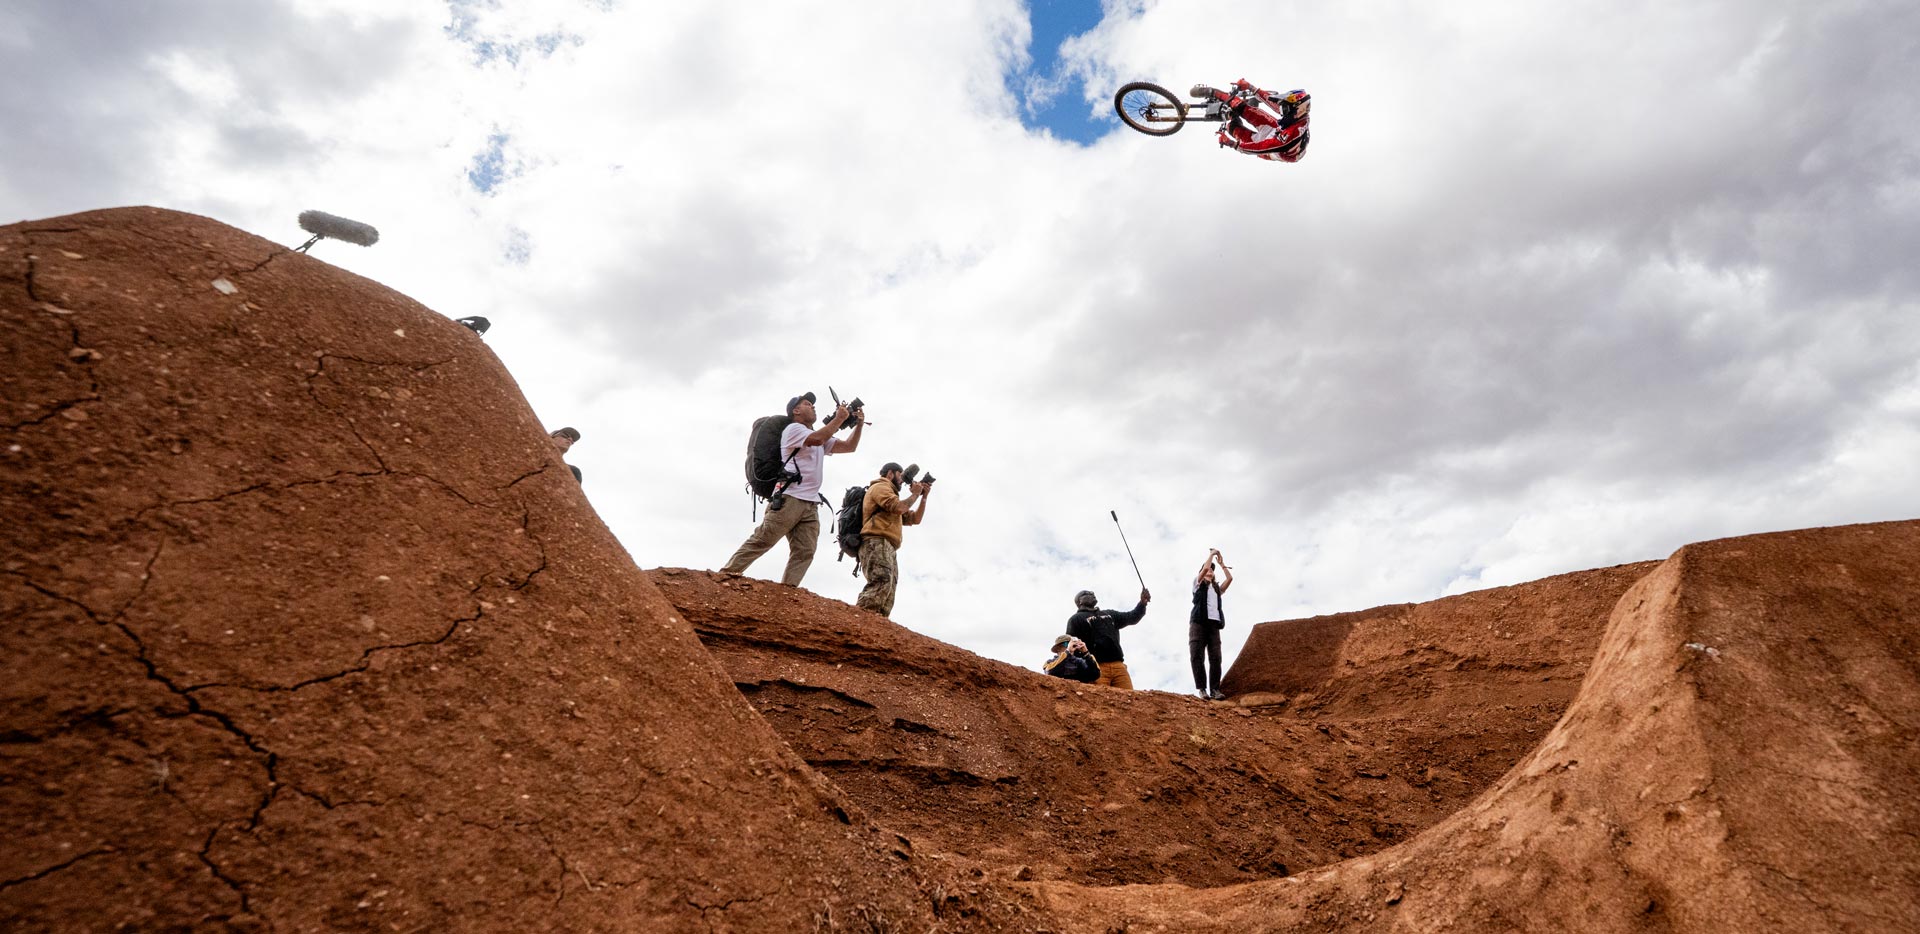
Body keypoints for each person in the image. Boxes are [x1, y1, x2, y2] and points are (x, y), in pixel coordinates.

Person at [720, 392, 863, 586]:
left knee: (805, 551)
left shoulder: (816, 435)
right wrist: (839, 419)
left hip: (810, 503)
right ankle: (725, 575)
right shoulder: (794, 429)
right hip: (790, 498)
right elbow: (818, 438)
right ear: (796, 411)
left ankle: (787, 591)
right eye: (807, 404)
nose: (813, 406)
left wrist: (859, 425)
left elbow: (849, 446)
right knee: (764, 539)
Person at [856, 462, 928, 617]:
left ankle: (876, 624)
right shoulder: (880, 487)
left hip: (888, 545)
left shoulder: (893, 496)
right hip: (876, 540)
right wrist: (915, 494)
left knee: (888, 593)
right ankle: (858, 620)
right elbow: (899, 507)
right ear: (890, 474)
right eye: (900, 475)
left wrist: (924, 497)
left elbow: (915, 519)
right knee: (881, 581)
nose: (902, 480)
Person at [1198, 79, 1310, 163]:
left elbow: (1263, 147)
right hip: (1277, 131)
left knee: (1235, 130)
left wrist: (1233, 144)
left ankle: (1231, 116)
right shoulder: (1295, 114)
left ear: (1298, 109)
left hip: (1273, 150)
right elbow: (1273, 103)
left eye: (1284, 108)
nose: (1281, 110)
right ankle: (1217, 94)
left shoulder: (1293, 134)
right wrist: (1250, 87)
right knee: (1247, 111)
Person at [1065, 588, 1150, 689]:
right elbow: (1070, 645)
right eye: (1087, 593)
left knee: (1129, 696)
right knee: (1099, 697)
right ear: (1080, 601)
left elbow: (1132, 617)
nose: (1092, 594)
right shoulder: (1075, 619)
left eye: (1092, 593)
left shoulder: (1110, 614)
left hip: (1119, 667)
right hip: (1096, 668)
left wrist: (1142, 603)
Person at [1190, 548, 1233, 700]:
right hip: (1198, 623)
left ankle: (1215, 689)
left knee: (1216, 657)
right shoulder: (1197, 584)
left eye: (1212, 571)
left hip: (1214, 625)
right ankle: (1202, 689)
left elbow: (1230, 579)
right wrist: (1211, 554)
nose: (1210, 571)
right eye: (1207, 570)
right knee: (1197, 655)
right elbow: (1204, 570)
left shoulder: (1216, 589)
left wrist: (1222, 564)